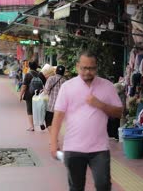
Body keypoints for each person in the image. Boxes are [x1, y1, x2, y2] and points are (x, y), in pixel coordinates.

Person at [50, 50, 123, 191]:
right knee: (76, 187)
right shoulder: (67, 87)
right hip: (73, 147)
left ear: (96, 67)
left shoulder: (107, 86)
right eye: (84, 68)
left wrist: (100, 104)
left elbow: (119, 112)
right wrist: (53, 143)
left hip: (99, 149)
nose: (87, 72)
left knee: (103, 185)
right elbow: (58, 117)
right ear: (77, 66)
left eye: (91, 68)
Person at [20, 61, 46, 131]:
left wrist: (21, 95)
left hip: (29, 94)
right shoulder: (41, 74)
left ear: (29, 66)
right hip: (39, 94)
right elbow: (45, 85)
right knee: (40, 109)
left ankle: (32, 127)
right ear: (37, 66)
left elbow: (24, 86)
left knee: (30, 110)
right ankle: (41, 123)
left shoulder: (28, 74)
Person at [43, 65, 66, 131]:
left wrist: (44, 90)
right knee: (56, 123)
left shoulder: (51, 78)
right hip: (61, 107)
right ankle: (55, 136)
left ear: (56, 71)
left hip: (51, 106)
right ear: (63, 72)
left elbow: (46, 92)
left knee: (48, 123)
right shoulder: (65, 81)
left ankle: (54, 137)